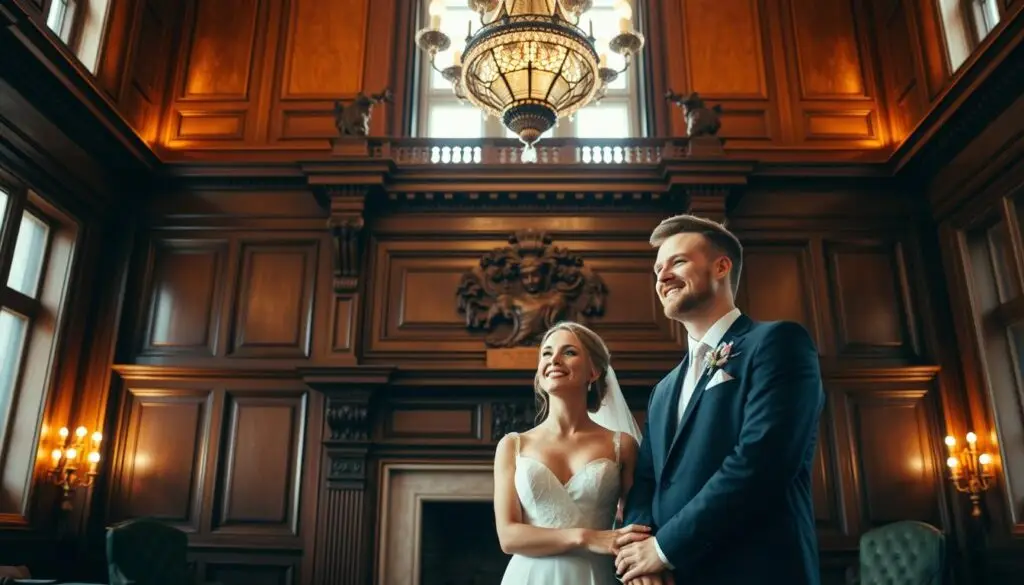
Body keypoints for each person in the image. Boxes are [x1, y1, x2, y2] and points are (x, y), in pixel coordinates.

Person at [616, 214, 825, 585]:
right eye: (658, 269)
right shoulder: (663, 390)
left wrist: (663, 549)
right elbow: (646, 479)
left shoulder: (777, 343)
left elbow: (762, 461)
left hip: (754, 571)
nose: (662, 277)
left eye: (678, 262)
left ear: (721, 267)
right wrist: (638, 554)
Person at [494, 321, 651, 585]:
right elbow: (508, 537)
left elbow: (639, 520)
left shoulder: (622, 446)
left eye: (569, 352)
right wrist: (587, 537)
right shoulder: (512, 445)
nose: (554, 359)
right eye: (546, 353)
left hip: (595, 576)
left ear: (594, 372)